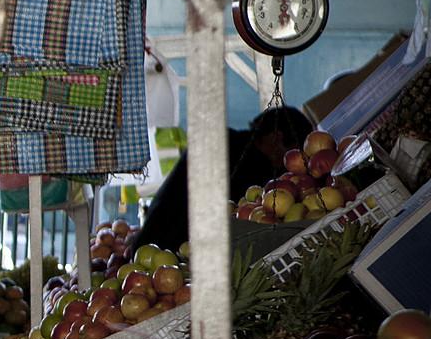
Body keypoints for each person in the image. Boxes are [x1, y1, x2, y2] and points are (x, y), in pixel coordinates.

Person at [133, 105, 311, 254]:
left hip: (152, 244)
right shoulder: (252, 165)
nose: (291, 166)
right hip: (172, 253)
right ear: (276, 138)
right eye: (293, 154)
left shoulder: (223, 141)